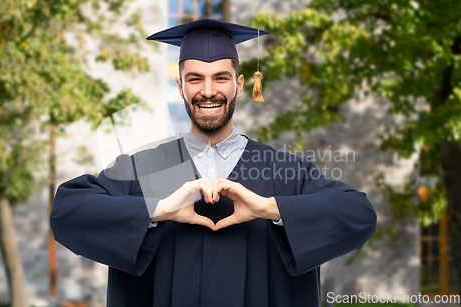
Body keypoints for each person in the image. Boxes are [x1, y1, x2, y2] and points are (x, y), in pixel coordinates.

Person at [50, 18, 377, 307]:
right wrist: (156, 210)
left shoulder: (287, 172)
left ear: (239, 84)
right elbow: (67, 213)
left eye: (220, 78)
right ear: (180, 87)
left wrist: (270, 209)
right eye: (195, 79)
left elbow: (359, 215)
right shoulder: (139, 170)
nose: (208, 91)